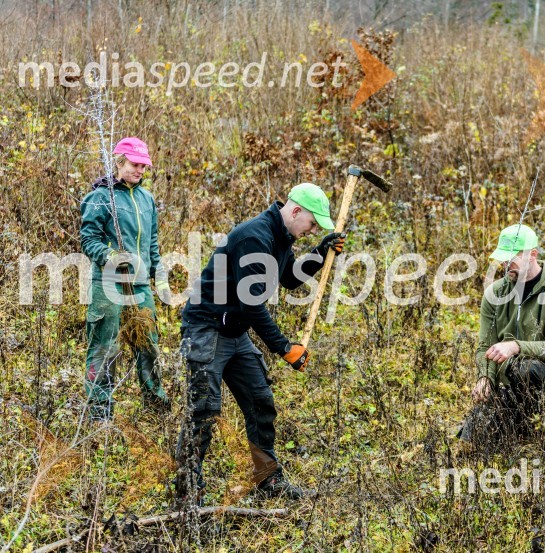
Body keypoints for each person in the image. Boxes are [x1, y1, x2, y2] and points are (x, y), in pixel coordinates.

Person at [176, 182, 346, 503]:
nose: (310, 230)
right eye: (311, 224)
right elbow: (251, 304)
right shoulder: (255, 237)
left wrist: (320, 252)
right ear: (295, 211)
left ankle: (268, 480)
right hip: (205, 327)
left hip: (234, 330)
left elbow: (289, 278)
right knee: (204, 409)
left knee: (260, 400)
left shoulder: (281, 237)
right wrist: (284, 347)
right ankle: (187, 493)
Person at [458, 224, 545, 445]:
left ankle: (534, 430)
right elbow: (485, 347)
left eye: (511, 258)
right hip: (506, 384)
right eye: (503, 259)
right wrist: (485, 377)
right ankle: (511, 428)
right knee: (469, 442)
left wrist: (516, 346)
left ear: (532, 255)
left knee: (526, 368)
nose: (504, 264)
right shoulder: (494, 293)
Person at [80, 137, 170, 421]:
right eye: (135, 164)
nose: (140, 169)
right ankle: (99, 413)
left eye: (144, 165)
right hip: (108, 284)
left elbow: (152, 242)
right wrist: (110, 256)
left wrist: (160, 276)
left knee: (149, 345)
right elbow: (88, 239)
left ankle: (155, 407)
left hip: (141, 285)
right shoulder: (99, 197)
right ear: (119, 162)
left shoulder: (147, 199)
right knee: (106, 348)